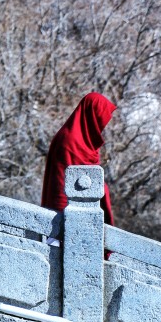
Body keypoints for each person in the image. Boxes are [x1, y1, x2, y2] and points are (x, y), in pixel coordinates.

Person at [41, 93, 116, 245]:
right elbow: (63, 183)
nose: (104, 124)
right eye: (102, 118)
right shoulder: (71, 141)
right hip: (64, 217)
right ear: (93, 116)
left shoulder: (85, 139)